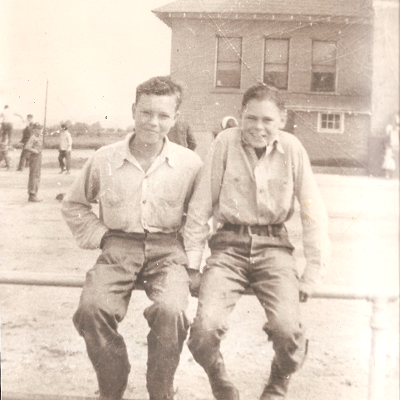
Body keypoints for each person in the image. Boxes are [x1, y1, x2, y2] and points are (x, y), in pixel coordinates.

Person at [183, 84, 330, 400]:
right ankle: (221, 383)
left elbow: (312, 211)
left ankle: (278, 384)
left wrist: (312, 271)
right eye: (251, 118)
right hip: (227, 249)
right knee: (204, 331)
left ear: (283, 119)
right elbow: (200, 206)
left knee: (288, 331)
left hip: (275, 248)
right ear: (240, 115)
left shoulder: (292, 149)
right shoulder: (224, 143)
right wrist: (193, 265)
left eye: (268, 120)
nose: (258, 127)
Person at [62, 76, 203, 400]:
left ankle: (161, 385)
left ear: (175, 118)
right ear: (133, 111)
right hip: (118, 245)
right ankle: (113, 377)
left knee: (172, 311)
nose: (153, 122)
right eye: (146, 112)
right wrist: (101, 236)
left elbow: (198, 219)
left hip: (168, 249)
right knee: (91, 309)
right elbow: (73, 204)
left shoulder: (189, 163)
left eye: (163, 115)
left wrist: (193, 264)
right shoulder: (105, 158)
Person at [25, 123, 44, 202]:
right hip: (34, 157)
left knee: (37, 175)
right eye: (38, 129)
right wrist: (35, 151)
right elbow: (27, 147)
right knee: (34, 175)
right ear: (34, 129)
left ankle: (34, 193)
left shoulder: (39, 137)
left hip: (39, 156)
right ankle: (32, 194)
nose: (39, 130)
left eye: (40, 129)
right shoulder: (33, 137)